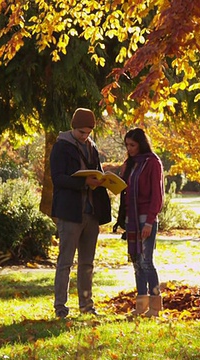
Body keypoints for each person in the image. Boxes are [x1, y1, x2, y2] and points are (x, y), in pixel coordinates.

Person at [50, 108, 111, 318]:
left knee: (87, 263)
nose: (85, 136)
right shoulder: (61, 147)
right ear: (73, 128)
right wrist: (83, 181)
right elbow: (58, 178)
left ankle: (86, 305)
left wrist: (102, 180)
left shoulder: (92, 147)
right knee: (65, 262)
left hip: (91, 213)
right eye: (81, 132)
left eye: (88, 132)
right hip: (70, 212)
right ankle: (60, 306)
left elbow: (97, 172)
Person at [117, 128, 165, 317]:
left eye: (133, 145)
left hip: (146, 217)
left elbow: (157, 195)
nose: (129, 149)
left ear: (141, 144)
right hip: (131, 218)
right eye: (127, 145)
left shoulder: (152, 163)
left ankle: (155, 306)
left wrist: (150, 222)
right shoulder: (130, 163)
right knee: (136, 261)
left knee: (146, 261)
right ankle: (141, 304)